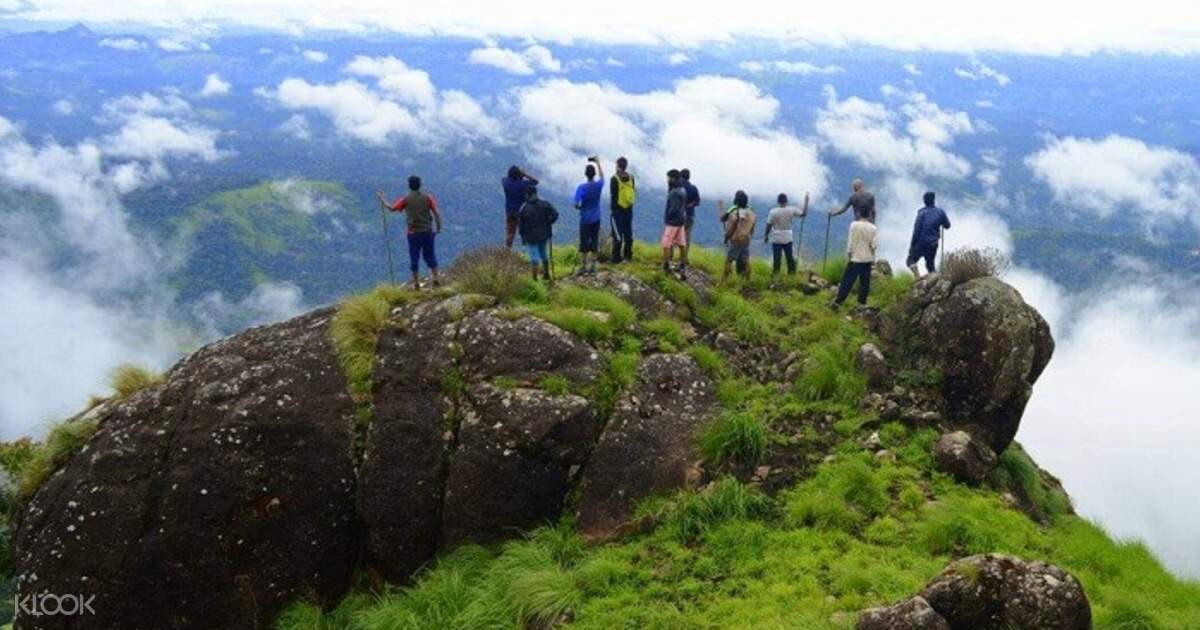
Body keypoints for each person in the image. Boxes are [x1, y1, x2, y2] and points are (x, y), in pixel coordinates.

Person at [377, 175, 443, 290]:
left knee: (414, 257)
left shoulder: (405, 199)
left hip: (413, 233)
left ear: (409, 186)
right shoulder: (428, 197)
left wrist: (382, 198)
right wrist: (438, 228)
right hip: (427, 231)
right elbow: (436, 213)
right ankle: (436, 279)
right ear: (420, 185)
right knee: (430, 255)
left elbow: (392, 208)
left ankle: (416, 283)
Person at [831, 214, 878, 311]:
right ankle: (862, 304)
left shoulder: (854, 225)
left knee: (847, 282)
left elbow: (850, 242)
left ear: (859, 213)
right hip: (867, 259)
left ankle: (838, 302)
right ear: (869, 214)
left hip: (855, 259)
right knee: (864, 283)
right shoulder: (873, 228)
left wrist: (849, 256)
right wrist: (873, 259)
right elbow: (873, 246)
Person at [517, 185, 558, 282]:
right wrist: (549, 222)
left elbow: (521, 226)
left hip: (531, 237)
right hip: (544, 234)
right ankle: (546, 274)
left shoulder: (524, 208)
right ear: (536, 193)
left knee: (534, 257)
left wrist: (523, 237)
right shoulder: (545, 204)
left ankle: (535, 279)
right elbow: (555, 214)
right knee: (543, 253)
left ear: (527, 195)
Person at [763, 192, 809, 277]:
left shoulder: (773, 211)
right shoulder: (791, 210)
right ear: (786, 201)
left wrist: (766, 235)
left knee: (777, 258)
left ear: (778, 201)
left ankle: (775, 276)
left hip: (776, 237)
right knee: (789, 257)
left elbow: (768, 225)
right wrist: (806, 202)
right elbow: (804, 214)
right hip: (788, 236)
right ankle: (791, 275)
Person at [906, 191, 951, 276]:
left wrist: (912, 245)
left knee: (910, 260)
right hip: (933, 243)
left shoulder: (921, 213)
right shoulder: (940, 212)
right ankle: (933, 281)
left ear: (924, 201)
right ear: (934, 200)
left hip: (920, 242)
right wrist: (941, 222)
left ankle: (917, 276)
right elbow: (947, 226)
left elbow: (916, 230)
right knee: (930, 264)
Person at [574, 157, 605, 275]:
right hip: (596, 218)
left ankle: (583, 266)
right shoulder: (598, 186)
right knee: (594, 241)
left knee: (584, 243)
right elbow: (602, 176)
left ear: (585, 175)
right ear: (594, 174)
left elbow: (576, 204)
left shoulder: (581, 188)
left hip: (585, 219)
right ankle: (593, 267)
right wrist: (598, 162)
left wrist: (581, 207)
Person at [721, 190, 757, 282]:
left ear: (736, 201)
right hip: (746, 240)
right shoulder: (752, 213)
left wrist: (726, 238)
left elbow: (731, 229)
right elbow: (753, 227)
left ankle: (723, 281)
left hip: (736, 241)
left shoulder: (735, 213)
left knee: (729, 260)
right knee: (745, 261)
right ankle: (747, 281)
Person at [502, 165, 539, 249]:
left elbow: (506, 177)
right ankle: (529, 248)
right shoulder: (523, 184)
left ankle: (506, 251)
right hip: (521, 211)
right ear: (519, 174)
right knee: (526, 230)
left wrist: (517, 174)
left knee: (510, 232)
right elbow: (536, 182)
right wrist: (524, 174)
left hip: (509, 211)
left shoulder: (505, 182)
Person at [661, 169, 689, 276]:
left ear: (672, 178)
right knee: (682, 244)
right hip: (681, 221)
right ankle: (682, 265)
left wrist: (667, 218)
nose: (667, 180)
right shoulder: (682, 189)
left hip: (672, 222)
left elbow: (673, 208)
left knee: (666, 244)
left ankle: (666, 265)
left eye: (668, 178)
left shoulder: (674, 192)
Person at [608, 157, 636, 263]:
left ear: (618, 166)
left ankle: (616, 258)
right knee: (628, 232)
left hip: (617, 210)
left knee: (617, 234)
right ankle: (628, 255)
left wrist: (612, 210)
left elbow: (613, 195)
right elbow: (633, 191)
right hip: (629, 208)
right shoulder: (631, 177)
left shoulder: (614, 178)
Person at [681, 168, 700, 266]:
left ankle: (669, 257)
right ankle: (684, 258)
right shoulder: (693, 188)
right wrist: (690, 205)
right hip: (690, 215)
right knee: (687, 237)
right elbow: (697, 202)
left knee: (673, 235)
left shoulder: (678, 187)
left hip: (678, 216)